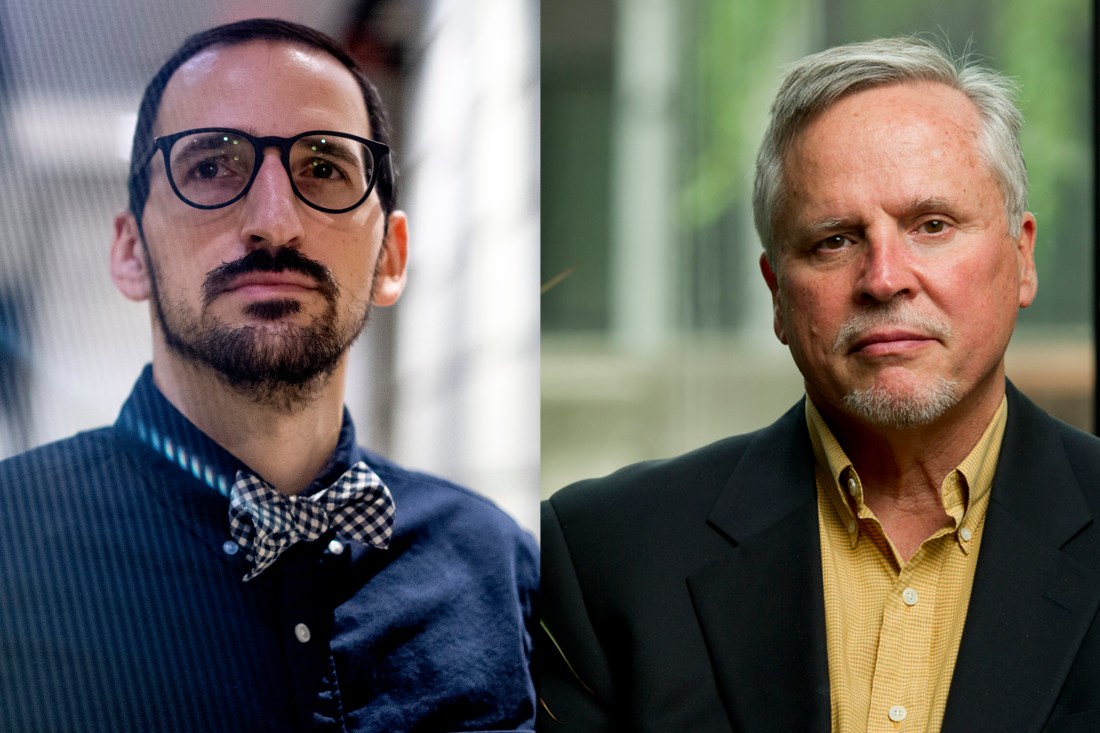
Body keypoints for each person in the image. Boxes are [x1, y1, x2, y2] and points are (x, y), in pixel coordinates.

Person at [539, 36, 1100, 732]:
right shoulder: (605, 555)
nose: (885, 277)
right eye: (833, 240)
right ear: (776, 295)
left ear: (1022, 258)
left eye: (932, 224)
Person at [0, 18, 537, 732]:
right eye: (212, 167)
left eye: (324, 167)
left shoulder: (501, 566)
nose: (275, 223)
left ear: (390, 257)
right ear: (131, 251)